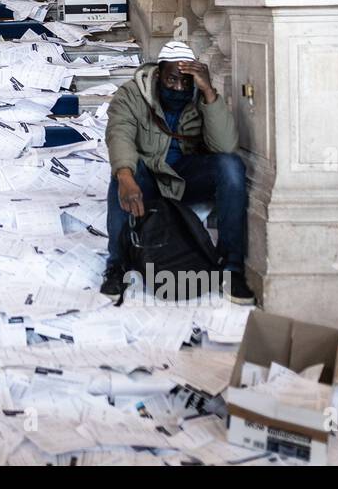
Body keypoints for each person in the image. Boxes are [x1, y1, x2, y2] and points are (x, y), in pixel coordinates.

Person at [102, 40, 254, 304]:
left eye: (186, 82)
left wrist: (208, 92)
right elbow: (119, 134)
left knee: (231, 166)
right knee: (124, 174)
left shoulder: (198, 96)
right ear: (159, 74)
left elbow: (225, 146)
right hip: (147, 174)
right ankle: (117, 264)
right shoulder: (131, 94)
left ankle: (232, 267)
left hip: (183, 177)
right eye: (172, 80)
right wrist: (125, 176)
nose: (179, 87)